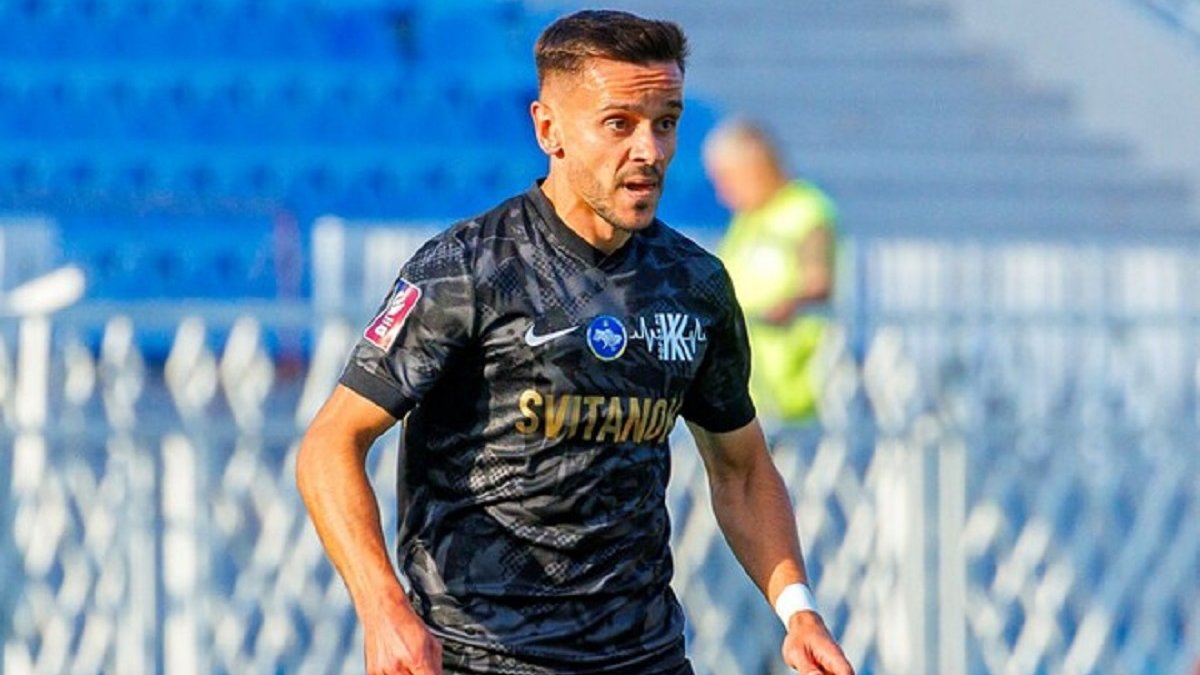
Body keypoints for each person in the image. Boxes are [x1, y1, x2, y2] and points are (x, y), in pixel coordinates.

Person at [296, 9, 853, 675]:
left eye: (666, 122)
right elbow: (330, 444)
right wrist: (382, 606)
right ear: (548, 129)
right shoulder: (468, 268)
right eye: (620, 124)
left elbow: (742, 469)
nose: (649, 150)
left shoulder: (693, 284)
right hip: (481, 659)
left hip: (645, 658)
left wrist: (798, 609)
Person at [703, 120, 838, 425]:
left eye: (727, 179)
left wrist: (784, 308)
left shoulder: (805, 211)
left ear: (757, 166)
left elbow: (819, 282)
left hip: (797, 391)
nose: (723, 194)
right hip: (750, 386)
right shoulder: (747, 219)